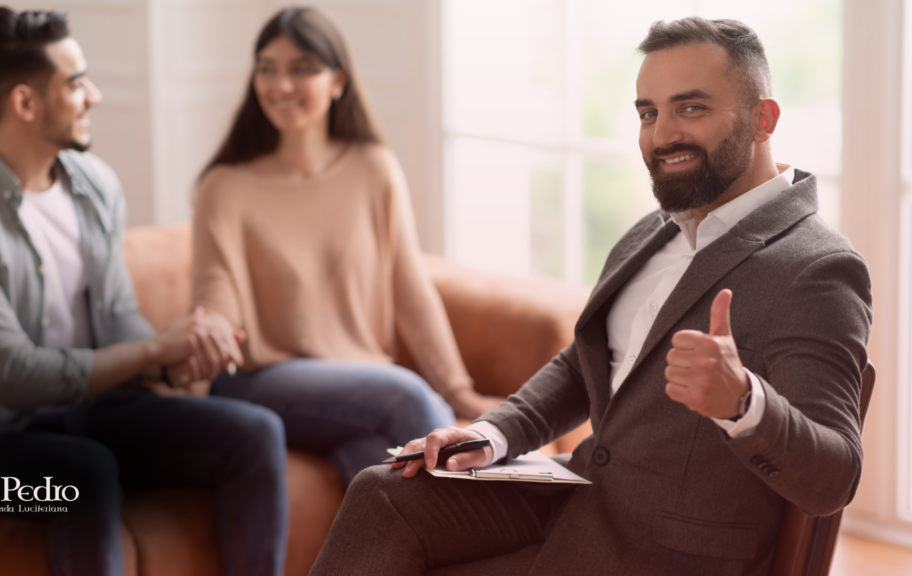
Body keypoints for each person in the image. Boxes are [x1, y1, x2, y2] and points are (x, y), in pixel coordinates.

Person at [310, 16, 872, 576]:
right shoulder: (652, 233)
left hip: (667, 553)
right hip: (580, 497)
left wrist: (743, 403)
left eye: (691, 108)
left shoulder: (817, 269)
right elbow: (587, 365)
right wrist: (494, 433)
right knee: (385, 491)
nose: (662, 133)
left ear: (762, 119)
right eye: (648, 112)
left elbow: (833, 478)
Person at [0, 8, 287, 576]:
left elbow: (120, 318)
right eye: (76, 83)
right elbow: (15, 375)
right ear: (25, 103)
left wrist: (177, 357)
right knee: (85, 473)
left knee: (255, 435)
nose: (94, 96)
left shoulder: (94, 185)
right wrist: (154, 351)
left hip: (94, 419)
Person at [192, 6, 503, 486]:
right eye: (267, 69)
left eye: (302, 69)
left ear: (337, 80)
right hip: (261, 380)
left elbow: (410, 289)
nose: (281, 85)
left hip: (358, 389)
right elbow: (216, 291)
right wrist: (209, 327)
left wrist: (462, 393)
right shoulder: (225, 185)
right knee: (411, 401)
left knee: (394, 480)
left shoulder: (372, 167)